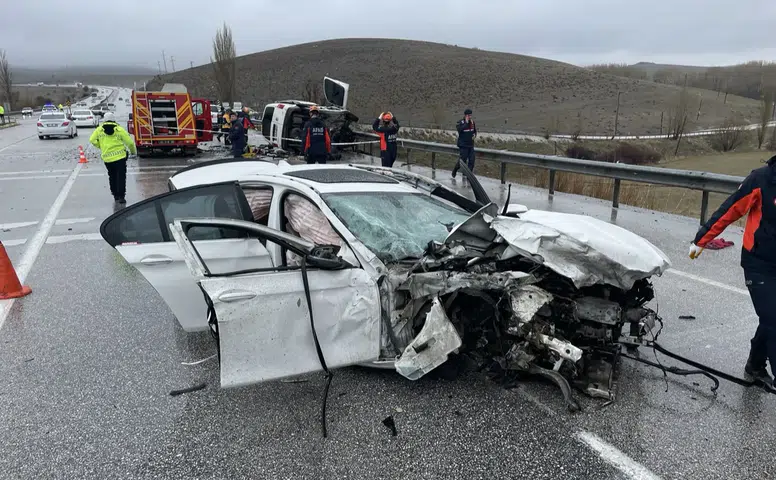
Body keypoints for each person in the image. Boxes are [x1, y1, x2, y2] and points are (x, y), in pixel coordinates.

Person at [689, 154, 776, 389]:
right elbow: (730, 210)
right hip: (759, 264)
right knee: (773, 319)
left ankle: (755, 366)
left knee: (770, 318)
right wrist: (702, 240)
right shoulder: (761, 179)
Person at [89, 112, 136, 205]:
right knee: (121, 177)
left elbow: (92, 140)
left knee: (112, 176)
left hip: (107, 158)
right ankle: (121, 196)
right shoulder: (119, 129)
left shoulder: (99, 130)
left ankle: (115, 195)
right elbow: (130, 143)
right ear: (114, 120)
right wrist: (133, 152)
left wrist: (101, 146)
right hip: (120, 158)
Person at [452, 108, 477, 178]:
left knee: (472, 161)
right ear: (465, 115)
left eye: (470, 115)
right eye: (468, 115)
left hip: (470, 145)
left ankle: (468, 175)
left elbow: (475, 131)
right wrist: (466, 123)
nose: (470, 117)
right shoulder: (460, 122)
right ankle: (455, 170)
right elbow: (459, 130)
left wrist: (475, 135)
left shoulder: (472, 122)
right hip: (463, 145)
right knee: (462, 161)